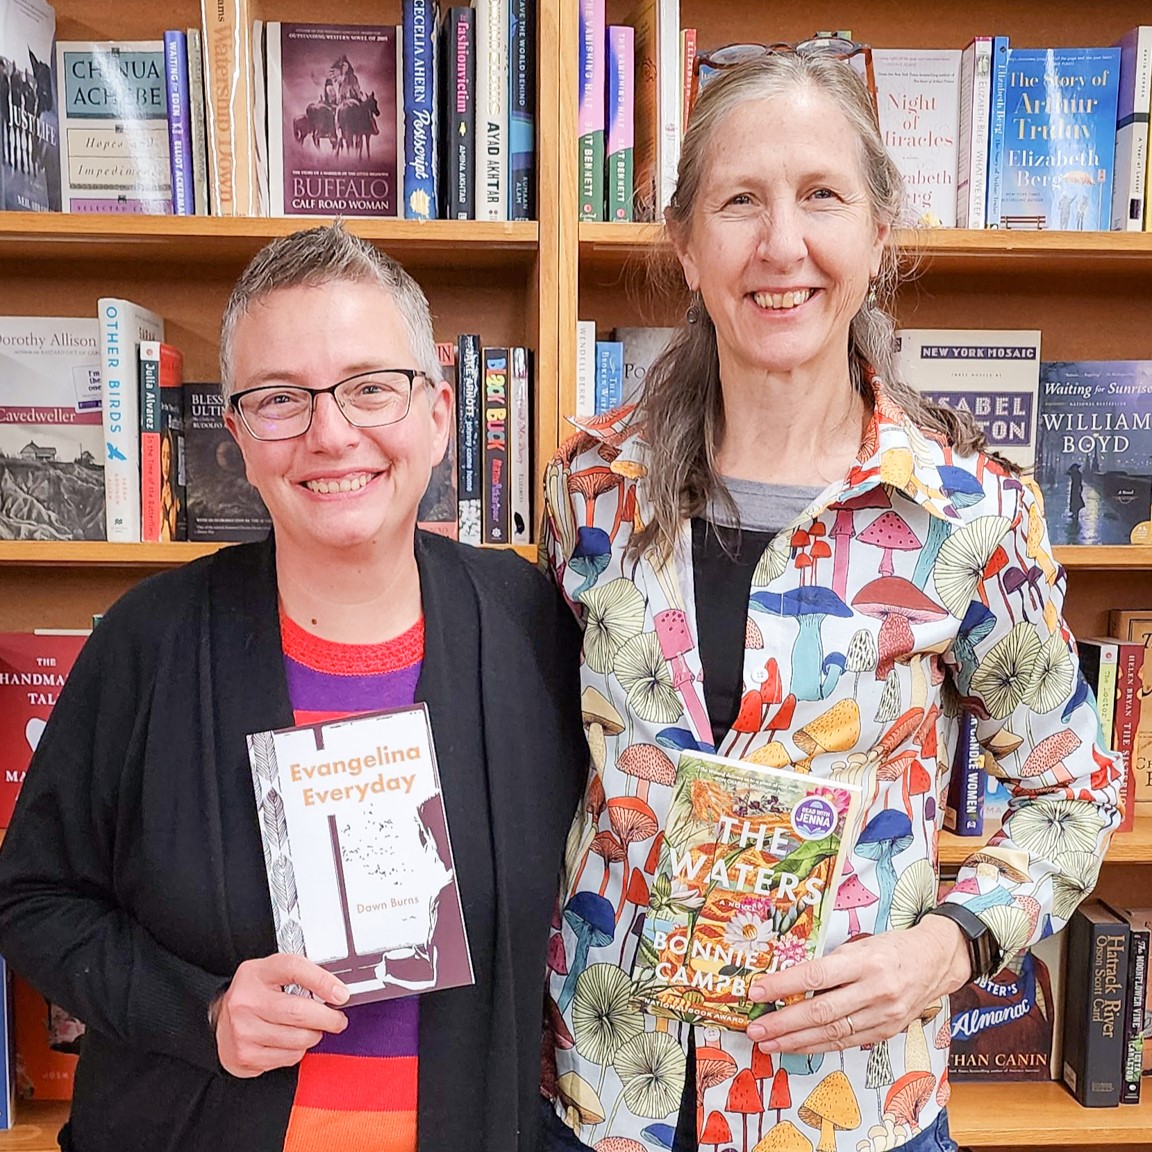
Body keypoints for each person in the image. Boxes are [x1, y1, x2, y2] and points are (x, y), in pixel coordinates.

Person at [538, 50, 1121, 1152]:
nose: (781, 246)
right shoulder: (589, 489)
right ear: (686, 244)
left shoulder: (969, 512)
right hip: (607, 1098)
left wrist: (950, 946)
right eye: (740, 201)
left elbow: (1074, 788)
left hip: (848, 1109)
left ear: (878, 234)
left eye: (822, 197)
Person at [0, 223, 587, 1152]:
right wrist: (201, 1013)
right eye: (281, 399)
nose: (330, 432)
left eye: (368, 387)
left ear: (439, 411)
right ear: (236, 437)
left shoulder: (533, 627)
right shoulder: (148, 642)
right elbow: (32, 902)